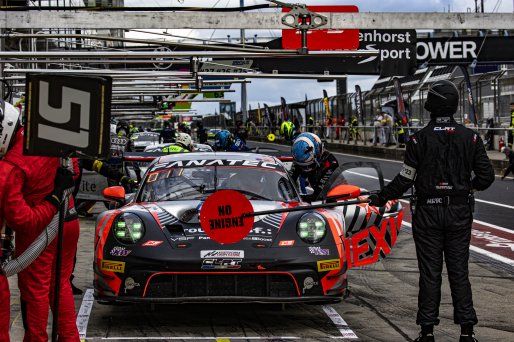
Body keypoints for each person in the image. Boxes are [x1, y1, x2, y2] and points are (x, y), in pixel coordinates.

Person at [369, 80, 494, 342]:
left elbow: (405, 180)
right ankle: (467, 332)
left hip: (427, 214)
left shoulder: (418, 140)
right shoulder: (470, 138)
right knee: (459, 271)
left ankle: (427, 332)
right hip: (459, 211)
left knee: (430, 272)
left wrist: (381, 197)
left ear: (432, 106)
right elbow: (486, 177)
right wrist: (465, 187)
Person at [3, 109, 82, 341]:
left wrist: (50, 200)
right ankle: (70, 337)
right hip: (69, 221)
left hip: (39, 230)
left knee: (35, 290)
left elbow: (22, 221)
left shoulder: (12, 165)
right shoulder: (47, 136)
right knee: (61, 284)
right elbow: (74, 171)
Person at [290, 132, 339, 202]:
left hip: (335, 198)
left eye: (309, 165)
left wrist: (300, 199)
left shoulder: (331, 164)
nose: (306, 169)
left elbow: (319, 194)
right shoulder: (301, 158)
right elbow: (291, 180)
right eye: (302, 166)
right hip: (317, 195)